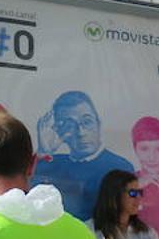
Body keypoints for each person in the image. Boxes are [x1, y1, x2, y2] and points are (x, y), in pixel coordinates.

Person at [31, 91, 132, 222]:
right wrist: (44, 151)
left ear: (98, 124)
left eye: (87, 122)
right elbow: (29, 198)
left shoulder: (120, 167)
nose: (80, 132)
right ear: (59, 130)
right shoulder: (52, 163)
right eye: (70, 125)